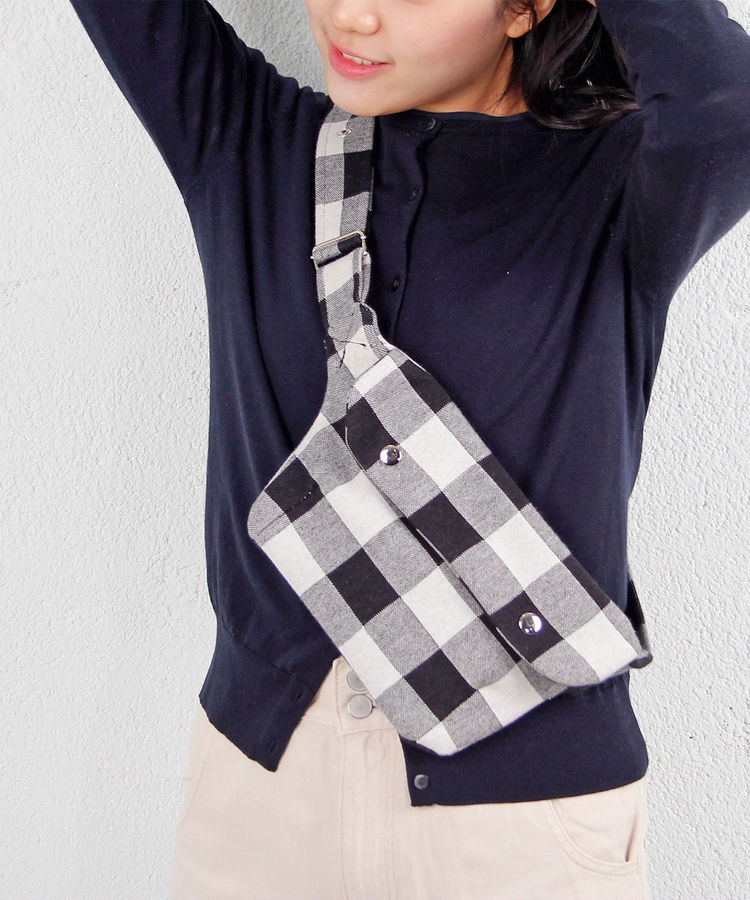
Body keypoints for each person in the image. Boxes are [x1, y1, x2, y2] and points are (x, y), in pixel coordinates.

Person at [68, 1, 750, 898]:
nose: (351, 15)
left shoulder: (619, 186)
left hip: (519, 822)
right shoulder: (248, 143)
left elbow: (728, 104)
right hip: (263, 797)